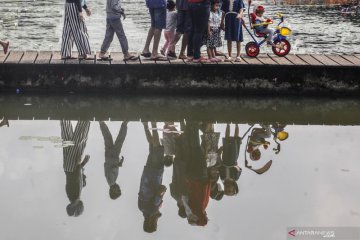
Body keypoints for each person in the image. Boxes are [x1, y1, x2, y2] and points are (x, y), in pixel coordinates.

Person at [138, 122, 167, 233]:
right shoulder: (141, 208)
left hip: (155, 175)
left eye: (155, 224)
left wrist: (164, 191)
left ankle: (154, 122)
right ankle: (146, 125)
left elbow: (161, 190)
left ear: (150, 223)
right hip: (146, 174)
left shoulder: (153, 209)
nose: (156, 223)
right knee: (152, 147)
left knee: (158, 147)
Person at [181, 122, 210, 226]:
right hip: (190, 177)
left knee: (197, 149)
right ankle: (190, 126)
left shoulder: (200, 208)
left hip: (200, 176)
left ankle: (194, 124)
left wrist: (208, 178)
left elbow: (205, 188)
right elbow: (184, 196)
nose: (206, 215)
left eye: (206, 217)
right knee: (192, 150)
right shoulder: (189, 209)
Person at [60, 120, 90, 217]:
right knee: (67, 141)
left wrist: (82, 163)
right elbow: (77, 179)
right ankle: (64, 118)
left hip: (72, 167)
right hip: (67, 168)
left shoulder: (76, 196)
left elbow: (76, 176)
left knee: (78, 143)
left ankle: (84, 119)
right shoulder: (71, 196)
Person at [99, 121, 128, 200]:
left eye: (118, 191)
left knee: (120, 140)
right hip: (108, 157)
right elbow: (106, 167)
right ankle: (101, 122)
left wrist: (119, 164)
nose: (119, 188)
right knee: (107, 137)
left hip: (113, 157)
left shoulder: (112, 181)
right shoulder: (109, 182)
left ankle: (124, 123)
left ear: (112, 191)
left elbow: (112, 169)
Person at [219, 124, 242, 196]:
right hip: (233, 159)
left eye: (225, 190)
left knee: (226, 140)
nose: (227, 189)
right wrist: (235, 166)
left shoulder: (223, 178)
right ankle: (236, 124)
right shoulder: (235, 178)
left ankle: (228, 124)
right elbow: (239, 169)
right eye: (229, 191)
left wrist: (219, 156)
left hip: (225, 159)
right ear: (233, 188)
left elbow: (220, 168)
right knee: (235, 140)